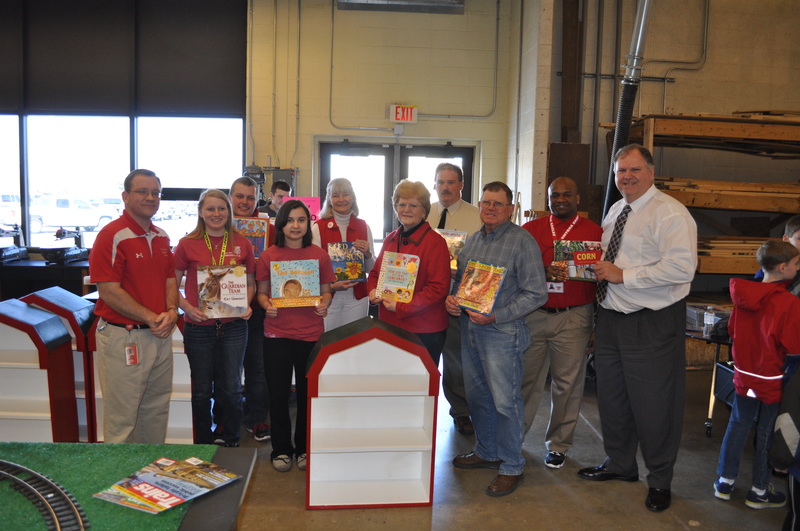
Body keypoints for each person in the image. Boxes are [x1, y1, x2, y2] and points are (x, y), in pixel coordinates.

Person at [578, 144, 697, 513]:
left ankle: (659, 479)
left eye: (633, 170)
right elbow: (608, 257)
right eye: (620, 172)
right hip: (612, 318)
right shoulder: (617, 209)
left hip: (651, 322)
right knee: (612, 400)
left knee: (655, 406)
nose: (626, 177)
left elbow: (682, 269)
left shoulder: (671, 214)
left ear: (651, 171)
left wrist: (623, 275)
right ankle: (621, 464)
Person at [446, 181, 547, 497]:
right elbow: (463, 285)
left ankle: (512, 465)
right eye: (486, 203)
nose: (490, 208)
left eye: (498, 204)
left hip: (503, 334)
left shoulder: (522, 242)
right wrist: (452, 300)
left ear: (510, 209)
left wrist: (498, 314)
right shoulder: (473, 241)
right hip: (471, 331)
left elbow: (537, 293)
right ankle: (487, 451)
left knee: (505, 401)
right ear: (479, 205)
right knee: (478, 397)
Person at [89, 169, 180, 444]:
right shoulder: (111, 236)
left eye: (156, 193)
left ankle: (148, 479)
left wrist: (173, 311)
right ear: (125, 196)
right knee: (122, 420)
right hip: (123, 337)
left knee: (155, 412)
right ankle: (118, 484)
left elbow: (169, 280)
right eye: (143, 191)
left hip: (158, 335)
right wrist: (153, 317)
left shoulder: (161, 236)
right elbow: (108, 291)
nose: (151, 197)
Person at [520, 176, 602, 469]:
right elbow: (517, 269)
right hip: (535, 315)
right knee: (527, 381)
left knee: (567, 384)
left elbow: (603, 281)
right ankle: (515, 438)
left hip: (574, 316)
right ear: (549, 198)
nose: (560, 200)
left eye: (567, 195)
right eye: (555, 195)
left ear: (578, 198)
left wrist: (597, 323)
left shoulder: (595, 233)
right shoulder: (530, 230)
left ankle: (558, 445)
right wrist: (542, 270)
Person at [714, 240, 800, 509]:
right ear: (783, 267)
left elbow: (731, 330)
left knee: (737, 425)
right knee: (766, 433)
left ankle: (725, 482)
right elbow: (793, 346)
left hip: (744, 375)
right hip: (773, 378)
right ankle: (759, 490)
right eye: (797, 264)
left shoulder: (742, 295)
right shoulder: (788, 302)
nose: (798, 269)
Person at [256, 199, 335, 472]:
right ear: (281, 223)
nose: (295, 225)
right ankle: (280, 449)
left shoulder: (319, 255)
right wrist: (267, 305)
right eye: (290, 220)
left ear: (308, 224)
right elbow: (262, 292)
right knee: (277, 394)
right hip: (276, 335)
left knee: (306, 394)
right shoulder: (269, 256)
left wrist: (325, 303)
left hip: (310, 334)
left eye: (301, 220)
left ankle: (303, 448)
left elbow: (326, 289)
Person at [173, 189, 256, 447]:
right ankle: (204, 443)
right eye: (210, 209)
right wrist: (187, 307)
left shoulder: (243, 243)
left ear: (229, 211)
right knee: (201, 391)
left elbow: (251, 283)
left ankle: (231, 440)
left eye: (222, 208)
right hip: (198, 326)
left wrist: (247, 304)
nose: (216, 214)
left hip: (233, 326)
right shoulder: (186, 244)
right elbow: (170, 286)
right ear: (201, 212)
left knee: (231, 388)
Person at [367, 179, 451, 365]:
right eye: (401, 204)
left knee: (420, 388)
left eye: (413, 205)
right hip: (390, 325)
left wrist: (401, 306)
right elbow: (374, 275)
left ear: (424, 210)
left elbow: (438, 289)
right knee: (393, 384)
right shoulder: (390, 239)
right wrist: (373, 290)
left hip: (424, 330)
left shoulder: (436, 243)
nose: (406, 209)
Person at [427, 163, 482, 436]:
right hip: (425, 300)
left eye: (451, 182)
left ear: (461, 184)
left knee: (457, 361)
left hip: (458, 300)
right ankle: (418, 409)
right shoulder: (425, 213)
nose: (445, 187)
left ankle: (460, 411)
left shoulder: (477, 216)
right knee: (422, 355)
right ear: (434, 185)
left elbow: (484, 263)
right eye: (440, 182)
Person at [227, 176, 271, 442]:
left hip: (256, 309)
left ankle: (256, 419)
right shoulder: (215, 225)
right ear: (230, 197)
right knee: (227, 371)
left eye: (250, 197)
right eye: (240, 196)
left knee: (258, 369)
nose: (245, 202)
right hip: (223, 310)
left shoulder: (268, 229)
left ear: (257, 199)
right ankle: (226, 420)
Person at [312, 177, 375, 330]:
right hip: (328, 296)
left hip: (357, 297)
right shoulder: (318, 227)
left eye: (345, 194)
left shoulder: (363, 226)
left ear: (352, 197)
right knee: (326, 343)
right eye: (335, 195)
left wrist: (367, 254)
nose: (341, 199)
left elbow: (371, 269)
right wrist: (332, 285)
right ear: (329, 200)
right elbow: (314, 268)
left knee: (353, 343)